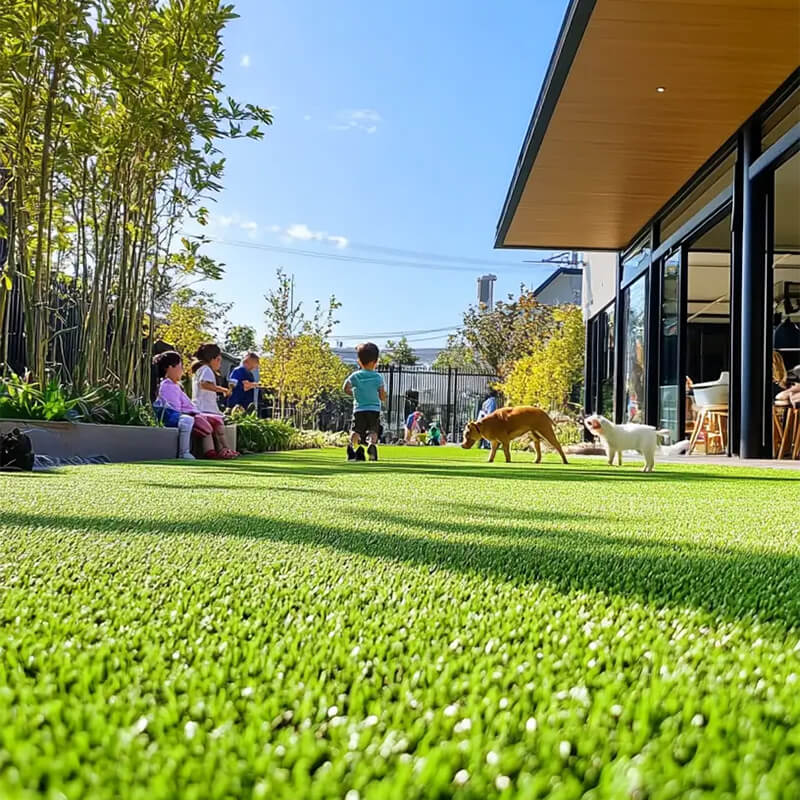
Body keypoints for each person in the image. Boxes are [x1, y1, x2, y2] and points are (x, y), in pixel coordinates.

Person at [153, 351, 230, 460]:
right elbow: (174, 409)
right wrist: (194, 414)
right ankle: (186, 452)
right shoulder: (167, 386)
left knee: (216, 420)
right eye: (180, 366)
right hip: (178, 416)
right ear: (170, 367)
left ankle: (223, 449)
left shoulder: (176, 386)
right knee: (190, 421)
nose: (182, 370)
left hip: (190, 414)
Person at [190, 343, 238, 458]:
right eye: (219, 360)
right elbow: (204, 384)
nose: (220, 364)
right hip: (206, 409)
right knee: (219, 431)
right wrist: (223, 390)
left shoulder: (200, 370)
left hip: (201, 408)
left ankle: (212, 451)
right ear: (213, 359)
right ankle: (225, 449)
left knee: (210, 432)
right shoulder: (206, 370)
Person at [343, 342, 386, 462]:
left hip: (359, 409)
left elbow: (345, 388)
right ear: (376, 361)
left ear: (359, 361)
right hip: (374, 409)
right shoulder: (378, 377)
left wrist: (354, 394)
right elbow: (382, 395)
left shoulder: (355, 376)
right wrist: (380, 397)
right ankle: (372, 445)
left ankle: (353, 448)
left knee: (356, 430)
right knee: (374, 430)